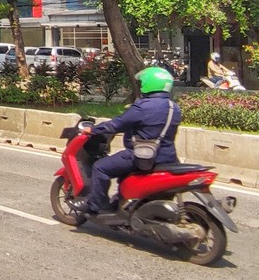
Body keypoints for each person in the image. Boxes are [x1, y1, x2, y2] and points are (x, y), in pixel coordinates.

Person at [75, 65, 180, 215]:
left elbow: (116, 125)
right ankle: (123, 201)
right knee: (122, 173)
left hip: (141, 157)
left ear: (148, 84)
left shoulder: (142, 107)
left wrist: (93, 130)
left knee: (100, 167)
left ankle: (97, 205)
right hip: (168, 158)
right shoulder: (174, 108)